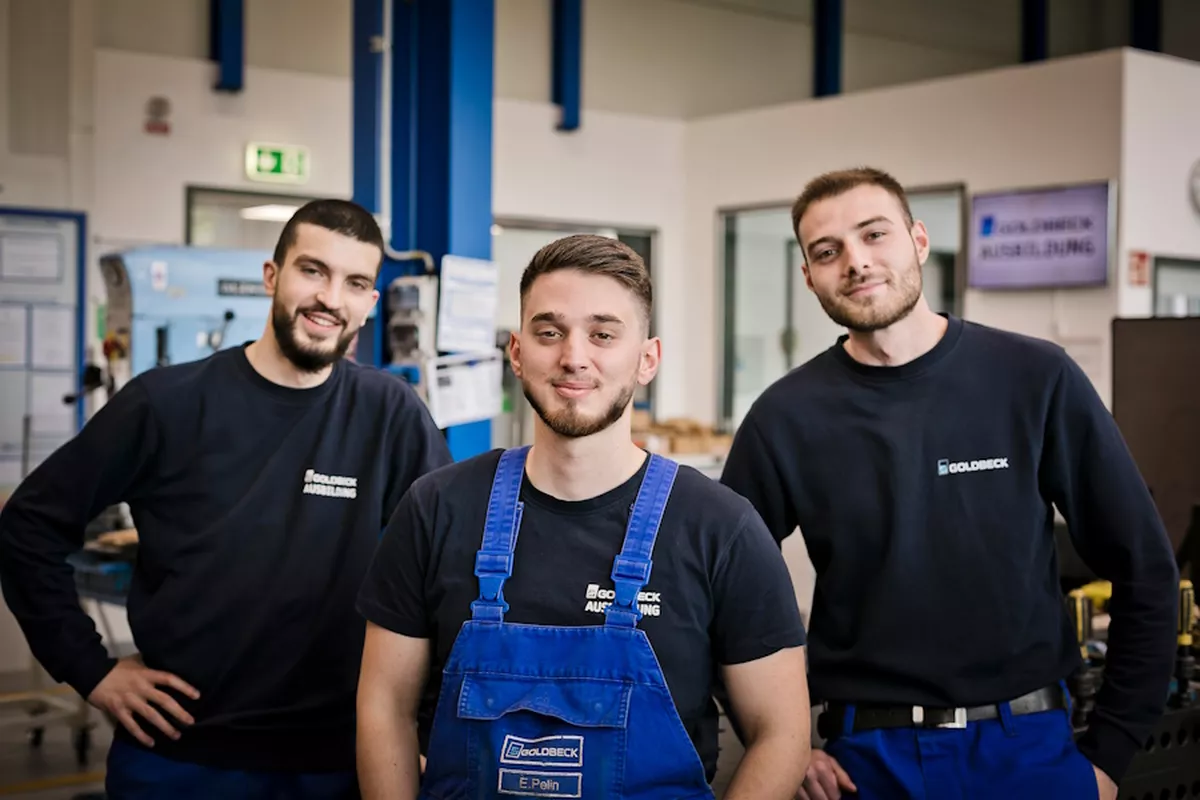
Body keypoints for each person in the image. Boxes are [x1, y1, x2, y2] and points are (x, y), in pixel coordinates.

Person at [719, 166, 1180, 800]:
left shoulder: (1033, 378)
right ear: (808, 276)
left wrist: (1110, 753)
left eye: (874, 234)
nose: (855, 261)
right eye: (827, 252)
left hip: (1030, 752)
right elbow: (716, 594)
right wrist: (782, 745)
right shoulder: (785, 417)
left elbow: (1146, 567)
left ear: (918, 239)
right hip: (865, 764)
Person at [0, 199, 453, 799]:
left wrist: (420, 731)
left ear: (371, 305)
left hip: (336, 761)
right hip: (180, 760)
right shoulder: (167, 402)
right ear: (273, 276)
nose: (329, 298)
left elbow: (443, 579)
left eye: (355, 283)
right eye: (312, 271)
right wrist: (92, 669)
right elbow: (27, 527)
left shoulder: (390, 415)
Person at [355, 234, 812, 799]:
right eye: (549, 332)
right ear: (517, 352)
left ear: (647, 359)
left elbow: (783, 732)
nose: (574, 356)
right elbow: (383, 708)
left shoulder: (721, 528)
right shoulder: (435, 509)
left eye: (602, 334)